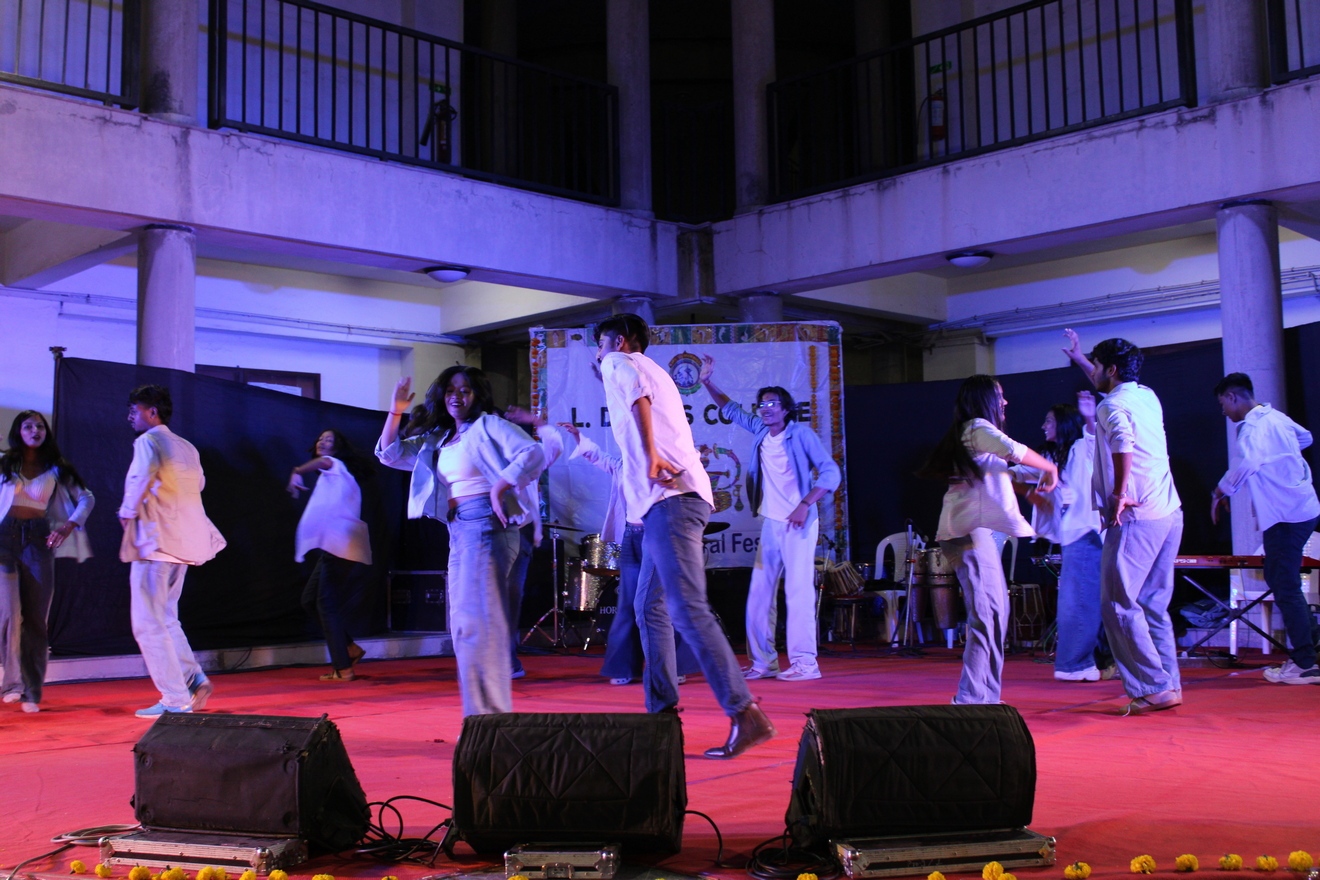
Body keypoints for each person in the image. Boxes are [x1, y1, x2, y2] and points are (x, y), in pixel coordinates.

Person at [595, 313, 775, 758]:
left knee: (686, 607)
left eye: (600, 344)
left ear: (619, 341)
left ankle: (745, 713)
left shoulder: (619, 362)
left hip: (671, 498)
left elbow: (637, 400)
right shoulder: (654, 371)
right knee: (648, 606)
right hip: (671, 500)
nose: (598, 354)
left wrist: (651, 455)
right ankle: (661, 715)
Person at [376, 365, 545, 716]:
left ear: (477, 395)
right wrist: (395, 411)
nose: (457, 396)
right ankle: (481, 717)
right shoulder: (439, 439)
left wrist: (501, 485)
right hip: (458, 529)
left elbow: (533, 453)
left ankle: (488, 718)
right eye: (451, 390)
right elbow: (389, 454)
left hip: (487, 523)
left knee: (478, 623)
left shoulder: (489, 425)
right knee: (464, 626)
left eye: (465, 389)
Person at [698, 355, 841, 681]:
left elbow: (831, 473)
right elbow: (731, 409)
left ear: (786, 409)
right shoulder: (761, 432)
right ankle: (764, 663)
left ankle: (806, 664)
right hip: (772, 524)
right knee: (760, 594)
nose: (766, 408)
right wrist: (707, 382)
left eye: (773, 403)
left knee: (798, 592)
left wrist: (805, 504)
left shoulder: (800, 435)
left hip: (800, 524)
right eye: (762, 404)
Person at [920, 375, 1057, 705]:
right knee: (987, 615)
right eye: (999, 395)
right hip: (970, 532)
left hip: (976, 532)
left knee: (994, 614)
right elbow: (1014, 451)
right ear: (984, 399)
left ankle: (985, 698)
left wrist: (1027, 490)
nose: (1005, 402)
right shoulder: (977, 427)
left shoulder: (973, 435)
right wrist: (1049, 469)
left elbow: (997, 473)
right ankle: (971, 699)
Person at [1071, 336, 1185, 715]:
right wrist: (1080, 359)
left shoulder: (1110, 405)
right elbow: (1108, 386)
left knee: (1118, 605)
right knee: (1152, 604)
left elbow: (1122, 440)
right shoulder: (1147, 396)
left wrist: (1119, 493)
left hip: (1136, 517)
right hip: (1169, 513)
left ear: (1111, 369)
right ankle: (1169, 684)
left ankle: (1153, 687)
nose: (1092, 371)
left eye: (1095, 365)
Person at [547, 421, 701, 686]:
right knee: (628, 603)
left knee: (662, 602)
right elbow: (599, 457)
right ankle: (624, 666)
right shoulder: (623, 465)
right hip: (632, 537)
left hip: (659, 535)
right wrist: (578, 436)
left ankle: (672, 665)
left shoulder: (666, 460)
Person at [118, 385, 227, 718]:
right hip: (184, 544)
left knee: (148, 623)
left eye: (135, 410)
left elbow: (139, 478)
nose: (130, 416)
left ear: (152, 412)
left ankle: (175, 697)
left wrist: (127, 512)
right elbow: (200, 484)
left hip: (157, 543)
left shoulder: (149, 441)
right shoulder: (186, 446)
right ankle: (192, 680)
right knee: (166, 618)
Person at [1211, 372, 1320, 685]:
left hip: (1286, 515)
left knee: (1284, 584)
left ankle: (1305, 664)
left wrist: (1219, 493)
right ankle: (1312, 644)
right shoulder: (1276, 418)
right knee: (1278, 576)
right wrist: (1282, 461)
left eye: (1222, 404)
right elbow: (1306, 438)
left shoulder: (1252, 428)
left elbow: (1246, 464)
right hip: (1301, 508)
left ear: (1232, 397)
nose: (1223, 412)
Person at [0, 411, 95, 713]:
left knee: (36, 619)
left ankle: (32, 691)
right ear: (18, 431)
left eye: (39, 426)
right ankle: (11, 684)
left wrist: (68, 525)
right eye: (28, 426)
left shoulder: (57, 466)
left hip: (38, 541)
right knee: (9, 615)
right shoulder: (5, 462)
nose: (35, 430)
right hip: (4, 540)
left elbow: (86, 498)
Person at [1017, 392, 1113, 682]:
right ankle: (1081, 663)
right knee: (1081, 598)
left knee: (1080, 599)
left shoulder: (1081, 447)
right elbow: (1015, 473)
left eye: (1049, 421)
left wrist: (1089, 417)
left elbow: (1094, 438)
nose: (1043, 426)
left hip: (1087, 532)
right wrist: (1030, 493)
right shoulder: (1049, 458)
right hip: (1075, 535)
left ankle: (1079, 663)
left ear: (1063, 423)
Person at [288, 429, 373, 682]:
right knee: (310, 600)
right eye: (320, 439)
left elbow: (324, 461)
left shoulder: (335, 465)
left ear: (337, 449)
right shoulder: (333, 477)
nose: (323, 442)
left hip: (342, 544)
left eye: (329, 440)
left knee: (325, 603)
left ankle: (343, 668)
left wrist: (297, 471)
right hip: (336, 546)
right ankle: (350, 648)